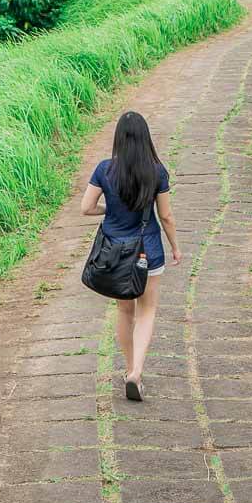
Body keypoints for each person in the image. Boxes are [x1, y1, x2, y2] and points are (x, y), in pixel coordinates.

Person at [81, 111, 181, 401]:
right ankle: (137, 371)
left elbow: (86, 208)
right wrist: (175, 246)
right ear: (145, 138)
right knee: (147, 311)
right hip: (148, 252)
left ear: (118, 139)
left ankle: (128, 370)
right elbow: (166, 215)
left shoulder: (104, 169)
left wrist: (108, 211)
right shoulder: (157, 171)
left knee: (125, 312)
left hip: (115, 255)